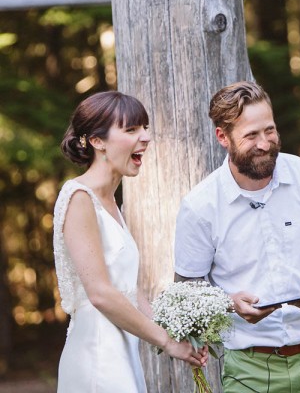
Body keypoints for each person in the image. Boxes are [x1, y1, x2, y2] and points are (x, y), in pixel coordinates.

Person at [174, 81, 300, 392]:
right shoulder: (200, 206)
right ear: (223, 137)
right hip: (249, 369)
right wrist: (229, 303)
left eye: (269, 130)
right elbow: (187, 287)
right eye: (251, 135)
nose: (264, 143)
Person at [53, 91, 208, 392]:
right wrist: (165, 342)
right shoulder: (79, 198)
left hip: (123, 351)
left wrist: (177, 335)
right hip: (97, 353)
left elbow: (130, 290)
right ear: (97, 141)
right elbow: (100, 294)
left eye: (145, 127)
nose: (146, 137)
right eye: (132, 129)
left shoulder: (112, 202)